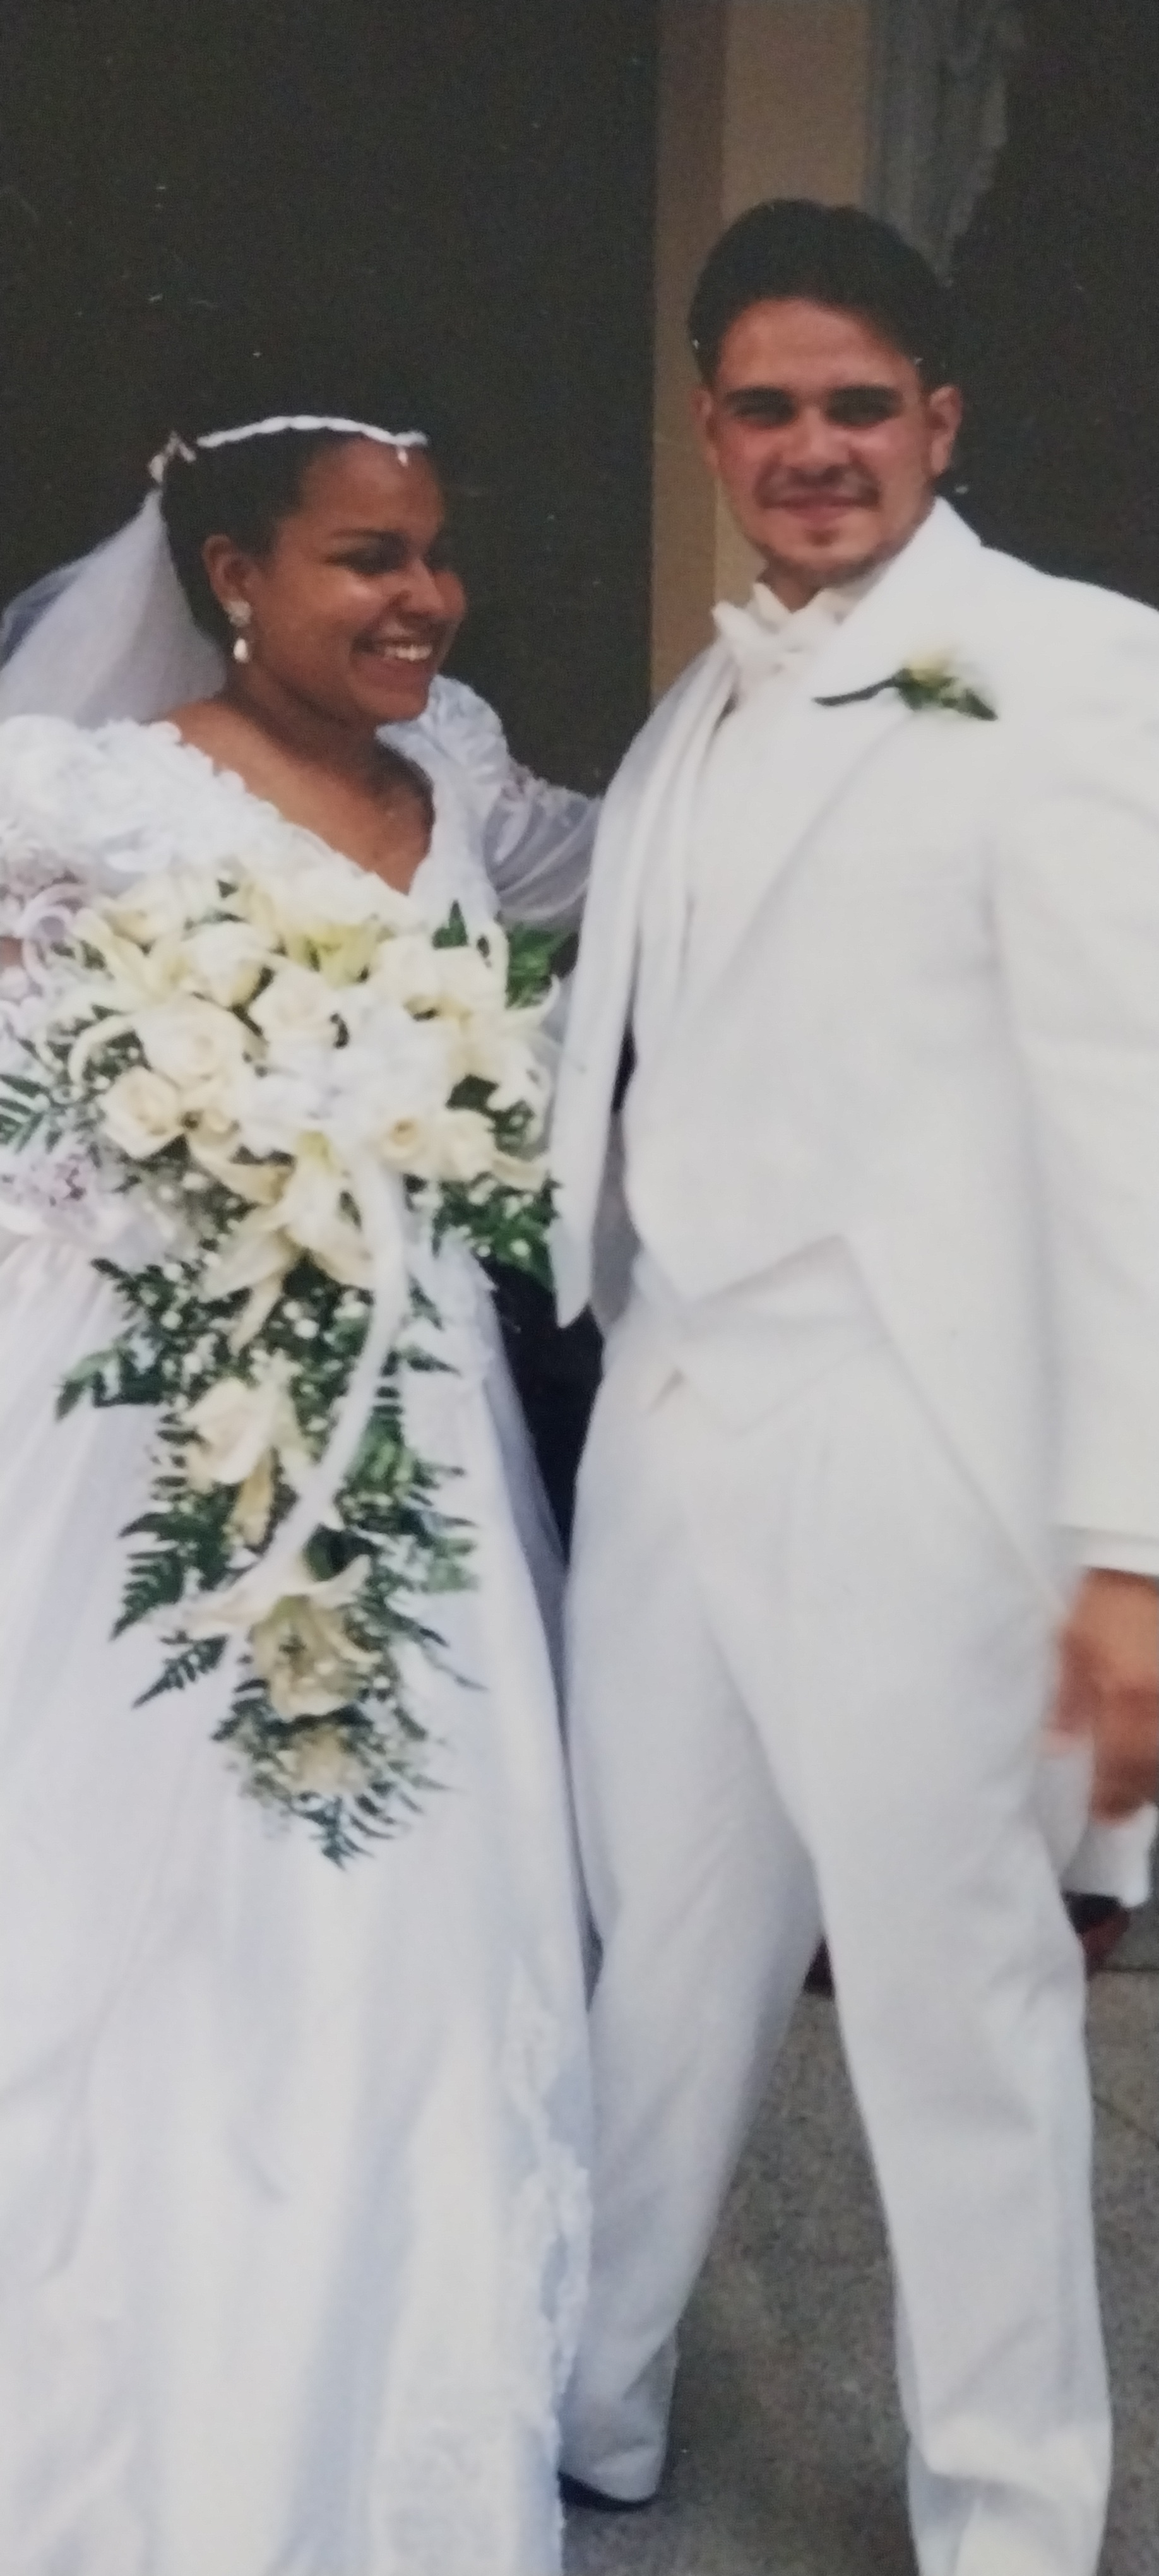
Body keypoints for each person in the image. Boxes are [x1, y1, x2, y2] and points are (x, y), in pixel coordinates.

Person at [550, 200, 1159, 2573]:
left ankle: (1009, 2520)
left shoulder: (1071, 666)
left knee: (952, 2010)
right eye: (765, 408)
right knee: (658, 1962)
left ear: (939, 421)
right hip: (674, 1417)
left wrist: (1129, 1541)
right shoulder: (691, 707)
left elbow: (1126, 1123)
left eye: (857, 406)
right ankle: (584, 2408)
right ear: (709, 428)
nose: (811, 449)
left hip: (912, 1437)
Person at [0, 395, 597, 2576]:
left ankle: (400, 2332)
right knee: (149, 1875)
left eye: (432, 553)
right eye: (366, 558)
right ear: (235, 574)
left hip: (415, 1402)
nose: (423, 597)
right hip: (175, 1415)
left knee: (422, 1872)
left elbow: (657, 890)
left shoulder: (465, 781)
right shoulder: (85, 794)